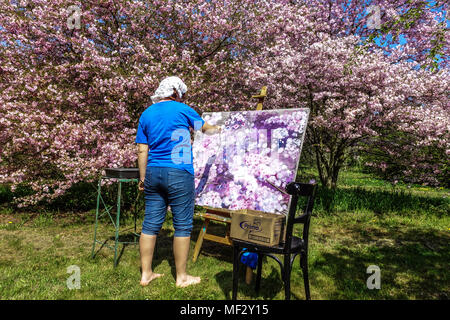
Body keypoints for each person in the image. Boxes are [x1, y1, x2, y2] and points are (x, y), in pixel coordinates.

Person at [135, 76, 219, 288]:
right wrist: (221, 129)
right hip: (179, 172)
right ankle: (181, 277)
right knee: (182, 225)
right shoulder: (183, 110)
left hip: (153, 172)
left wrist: (143, 177)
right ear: (176, 93)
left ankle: (146, 274)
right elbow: (205, 129)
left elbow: (142, 149)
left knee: (150, 224)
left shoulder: (146, 114)